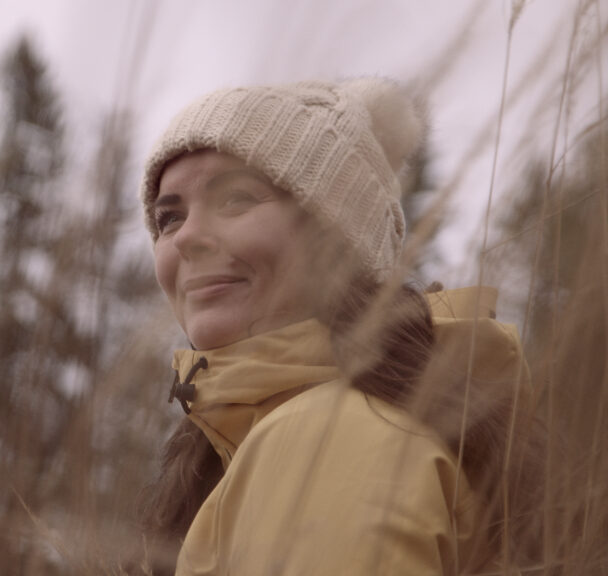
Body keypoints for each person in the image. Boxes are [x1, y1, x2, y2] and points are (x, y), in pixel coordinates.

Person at [137, 80, 543, 575]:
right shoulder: (315, 430)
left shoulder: (324, 439)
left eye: (236, 199)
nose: (188, 238)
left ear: (339, 243)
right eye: (169, 218)